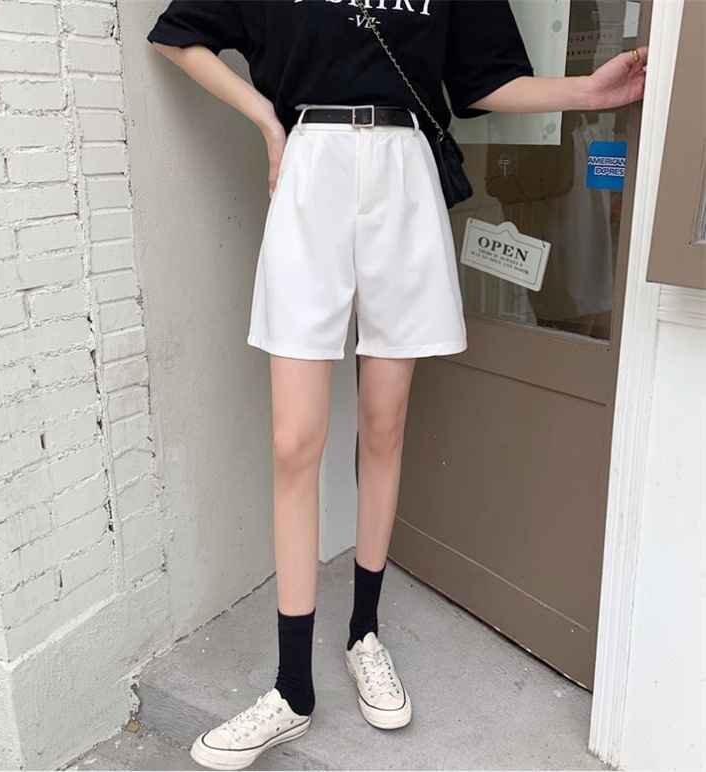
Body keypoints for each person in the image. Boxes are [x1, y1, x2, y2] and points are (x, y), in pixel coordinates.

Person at [145, 2, 647, 769]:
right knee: (293, 442)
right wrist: (268, 121)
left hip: (405, 172)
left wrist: (587, 93)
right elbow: (180, 36)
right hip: (312, 165)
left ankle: (363, 634)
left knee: (383, 426)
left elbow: (481, 81)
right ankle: (291, 689)